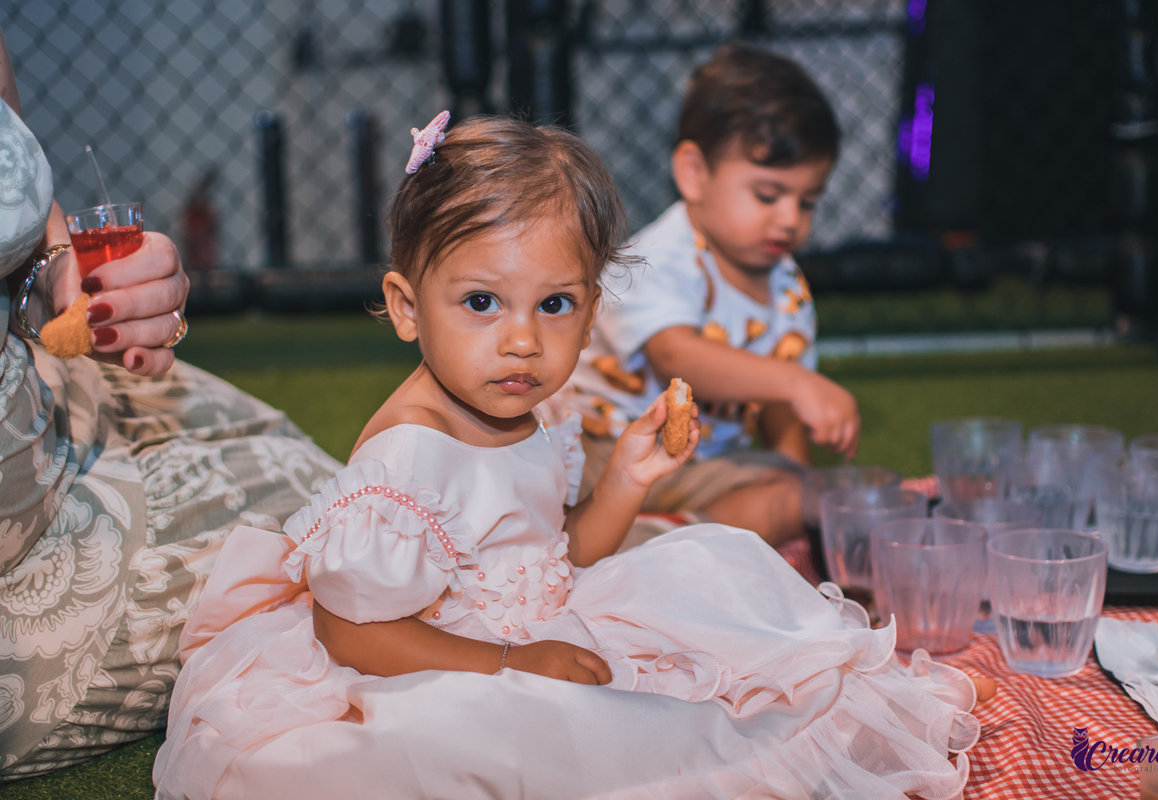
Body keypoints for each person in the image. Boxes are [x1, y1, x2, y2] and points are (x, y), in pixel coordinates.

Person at [153, 115, 986, 800]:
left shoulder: (538, 407)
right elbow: (349, 628)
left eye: (555, 304)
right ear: (408, 307)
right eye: (481, 302)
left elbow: (554, 557)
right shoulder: (409, 457)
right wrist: (511, 666)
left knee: (718, 564)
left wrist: (627, 478)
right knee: (572, 735)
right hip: (430, 662)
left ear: (592, 310)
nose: (522, 341)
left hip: (529, 620)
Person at [0, 28, 340, 780]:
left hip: (52, 405)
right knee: (343, 550)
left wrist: (68, 282)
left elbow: (29, 231)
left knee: (331, 485)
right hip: (24, 582)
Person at [564, 43, 860, 549]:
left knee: (812, 495)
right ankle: (625, 538)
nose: (790, 218)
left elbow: (776, 404)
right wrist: (795, 382)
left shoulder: (785, 283)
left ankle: (668, 541)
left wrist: (795, 473)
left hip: (700, 466)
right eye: (767, 195)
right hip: (604, 452)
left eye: (807, 201)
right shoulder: (660, 256)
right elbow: (676, 355)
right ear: (694, 173)